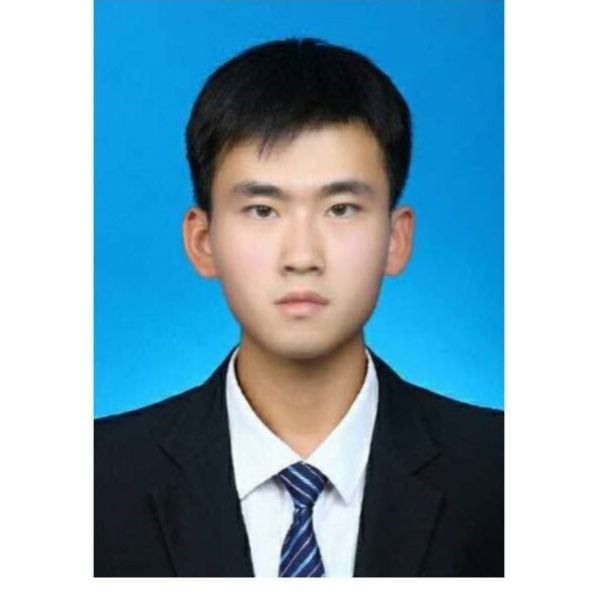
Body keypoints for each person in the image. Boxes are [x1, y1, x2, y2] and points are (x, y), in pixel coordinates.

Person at [94, 38, 503, 577]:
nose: (303, 257)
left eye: (341, 208)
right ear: (203, 241)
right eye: (263, 210)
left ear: (396, 238)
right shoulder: (93, 480)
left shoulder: (504, 471)